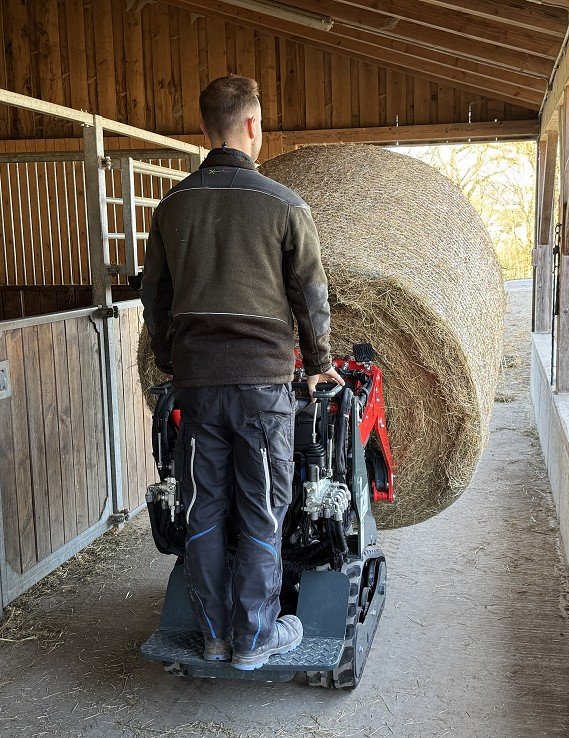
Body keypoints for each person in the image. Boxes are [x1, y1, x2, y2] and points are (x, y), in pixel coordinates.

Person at [140, 74, 343, 671]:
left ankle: (213, 635)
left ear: (205, 130)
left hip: (199, 389)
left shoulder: (173, 208)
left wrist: (171, 364)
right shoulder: (285, 206)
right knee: (261, 507)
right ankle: (254, 640)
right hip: (262, 388)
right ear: (253, 125)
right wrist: (320, 365)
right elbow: (311, 297)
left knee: (203, 507)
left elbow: (155, 299)